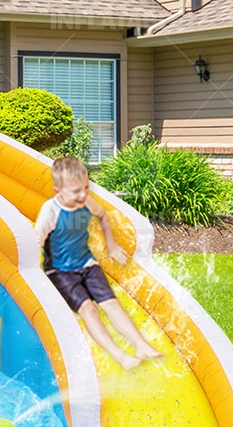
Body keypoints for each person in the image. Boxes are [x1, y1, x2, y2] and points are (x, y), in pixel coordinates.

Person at [35, 156, 162, 369]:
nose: (83, 194)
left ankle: (140, 345)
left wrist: (111, 246)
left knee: (111, 304)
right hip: (60, 272)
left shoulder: (86, 202)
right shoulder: (51, 211)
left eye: (85, 188)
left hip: (86, 265)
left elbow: (103, 216)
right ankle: (120, 356)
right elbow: (36, 240)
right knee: (89, 310)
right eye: (76, 191)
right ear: (58, 191)